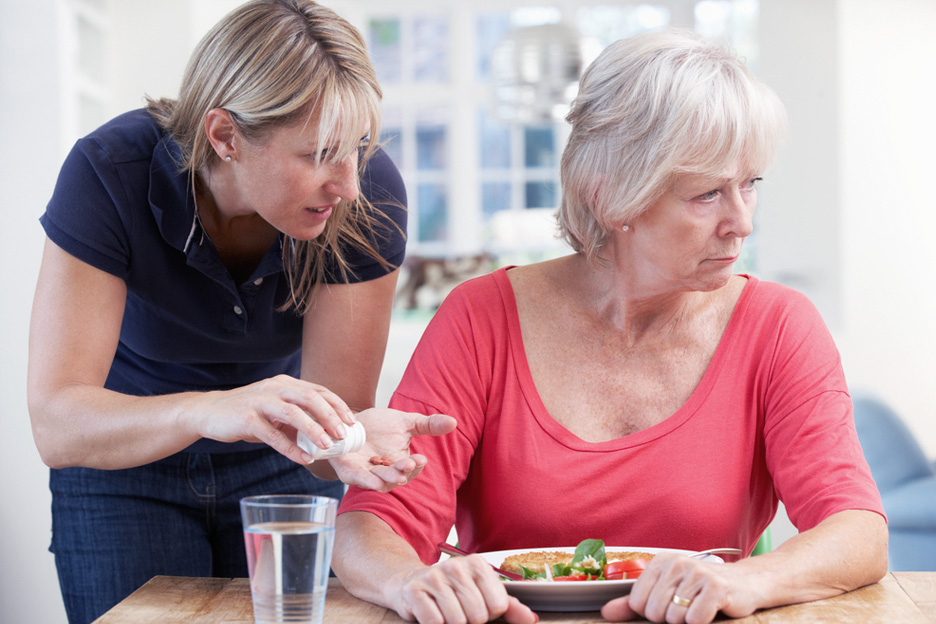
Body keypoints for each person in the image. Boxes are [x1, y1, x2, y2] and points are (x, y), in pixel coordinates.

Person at [332, 29, 888, 624]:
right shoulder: (480, 318)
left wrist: (749, 581)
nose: (741, 222)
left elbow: (856, 529)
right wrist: (410, 583)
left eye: (750, 184)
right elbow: (372, 524)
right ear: (612, 199)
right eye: (707, 194)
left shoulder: (779, 327)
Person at [27, 1, 456, 623]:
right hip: (125, 464)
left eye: (359, 148)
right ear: (225, 136)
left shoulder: (368, 196)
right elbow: (58, 424)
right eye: (319, 153)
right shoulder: (107, 171)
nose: (350, 185)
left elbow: (328, 416)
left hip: (283, 462)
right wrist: (210, 409)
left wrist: (351, 436)